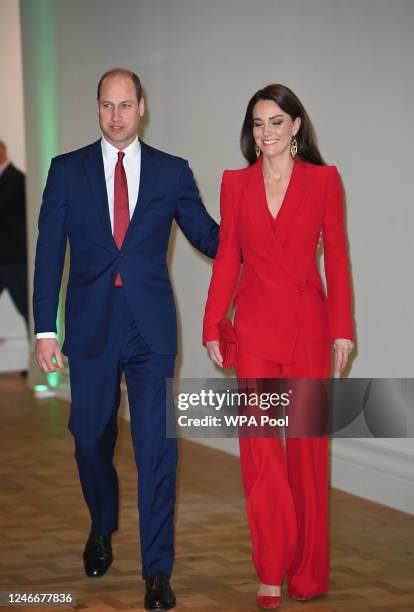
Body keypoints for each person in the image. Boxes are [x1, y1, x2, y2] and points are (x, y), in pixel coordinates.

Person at [33, 68, 219, 611]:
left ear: (142, 107)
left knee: (156, 449)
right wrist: (47, 328)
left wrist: (260, 233)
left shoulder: (171, 172)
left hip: (150, 327)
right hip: (90, 324)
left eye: (125, 105)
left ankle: (157, 571)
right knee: (89, 437)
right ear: (97, 109)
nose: (117, 115)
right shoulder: (66, 171)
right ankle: (102, 523)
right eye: (107, 106)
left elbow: (207, 235)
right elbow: (49, 253)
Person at [203, 84, 354, 609]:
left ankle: (308, 573)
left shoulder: (324, 181)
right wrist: (212, 322)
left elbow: (336, 256)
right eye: (257, 123)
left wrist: (343, 327)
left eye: (274, 122)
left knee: (308, 456)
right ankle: (271, 568)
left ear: (295, 126)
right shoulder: (235, 183)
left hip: (311, 329)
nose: (264, 133)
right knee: (262, 453)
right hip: (256, 333)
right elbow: (227, 258)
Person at [0, 140, 28, 330]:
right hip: (3, 258)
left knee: (26, 307)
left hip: (14, 257)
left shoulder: (17, 179)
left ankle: (45, 351)